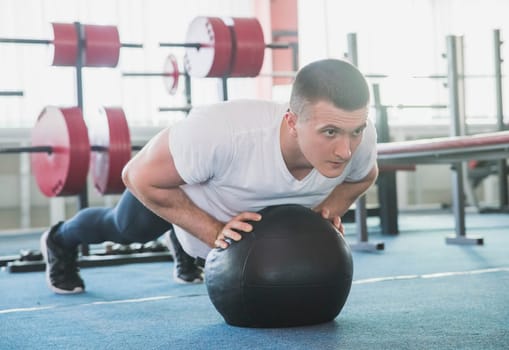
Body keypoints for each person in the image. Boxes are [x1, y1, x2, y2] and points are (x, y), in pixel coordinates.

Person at [41, 58, 378, 295]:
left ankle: (183, 238)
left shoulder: (358, 137)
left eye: (355, 132)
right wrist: (211, 230)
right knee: (127, 228)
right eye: (330, 132)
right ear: (292, 122)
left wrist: (328, 210)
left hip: (226, 198)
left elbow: (363, 175)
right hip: (181, 189)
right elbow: (136, 175)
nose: (345, 151)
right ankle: (60, 239)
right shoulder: (224, 133)